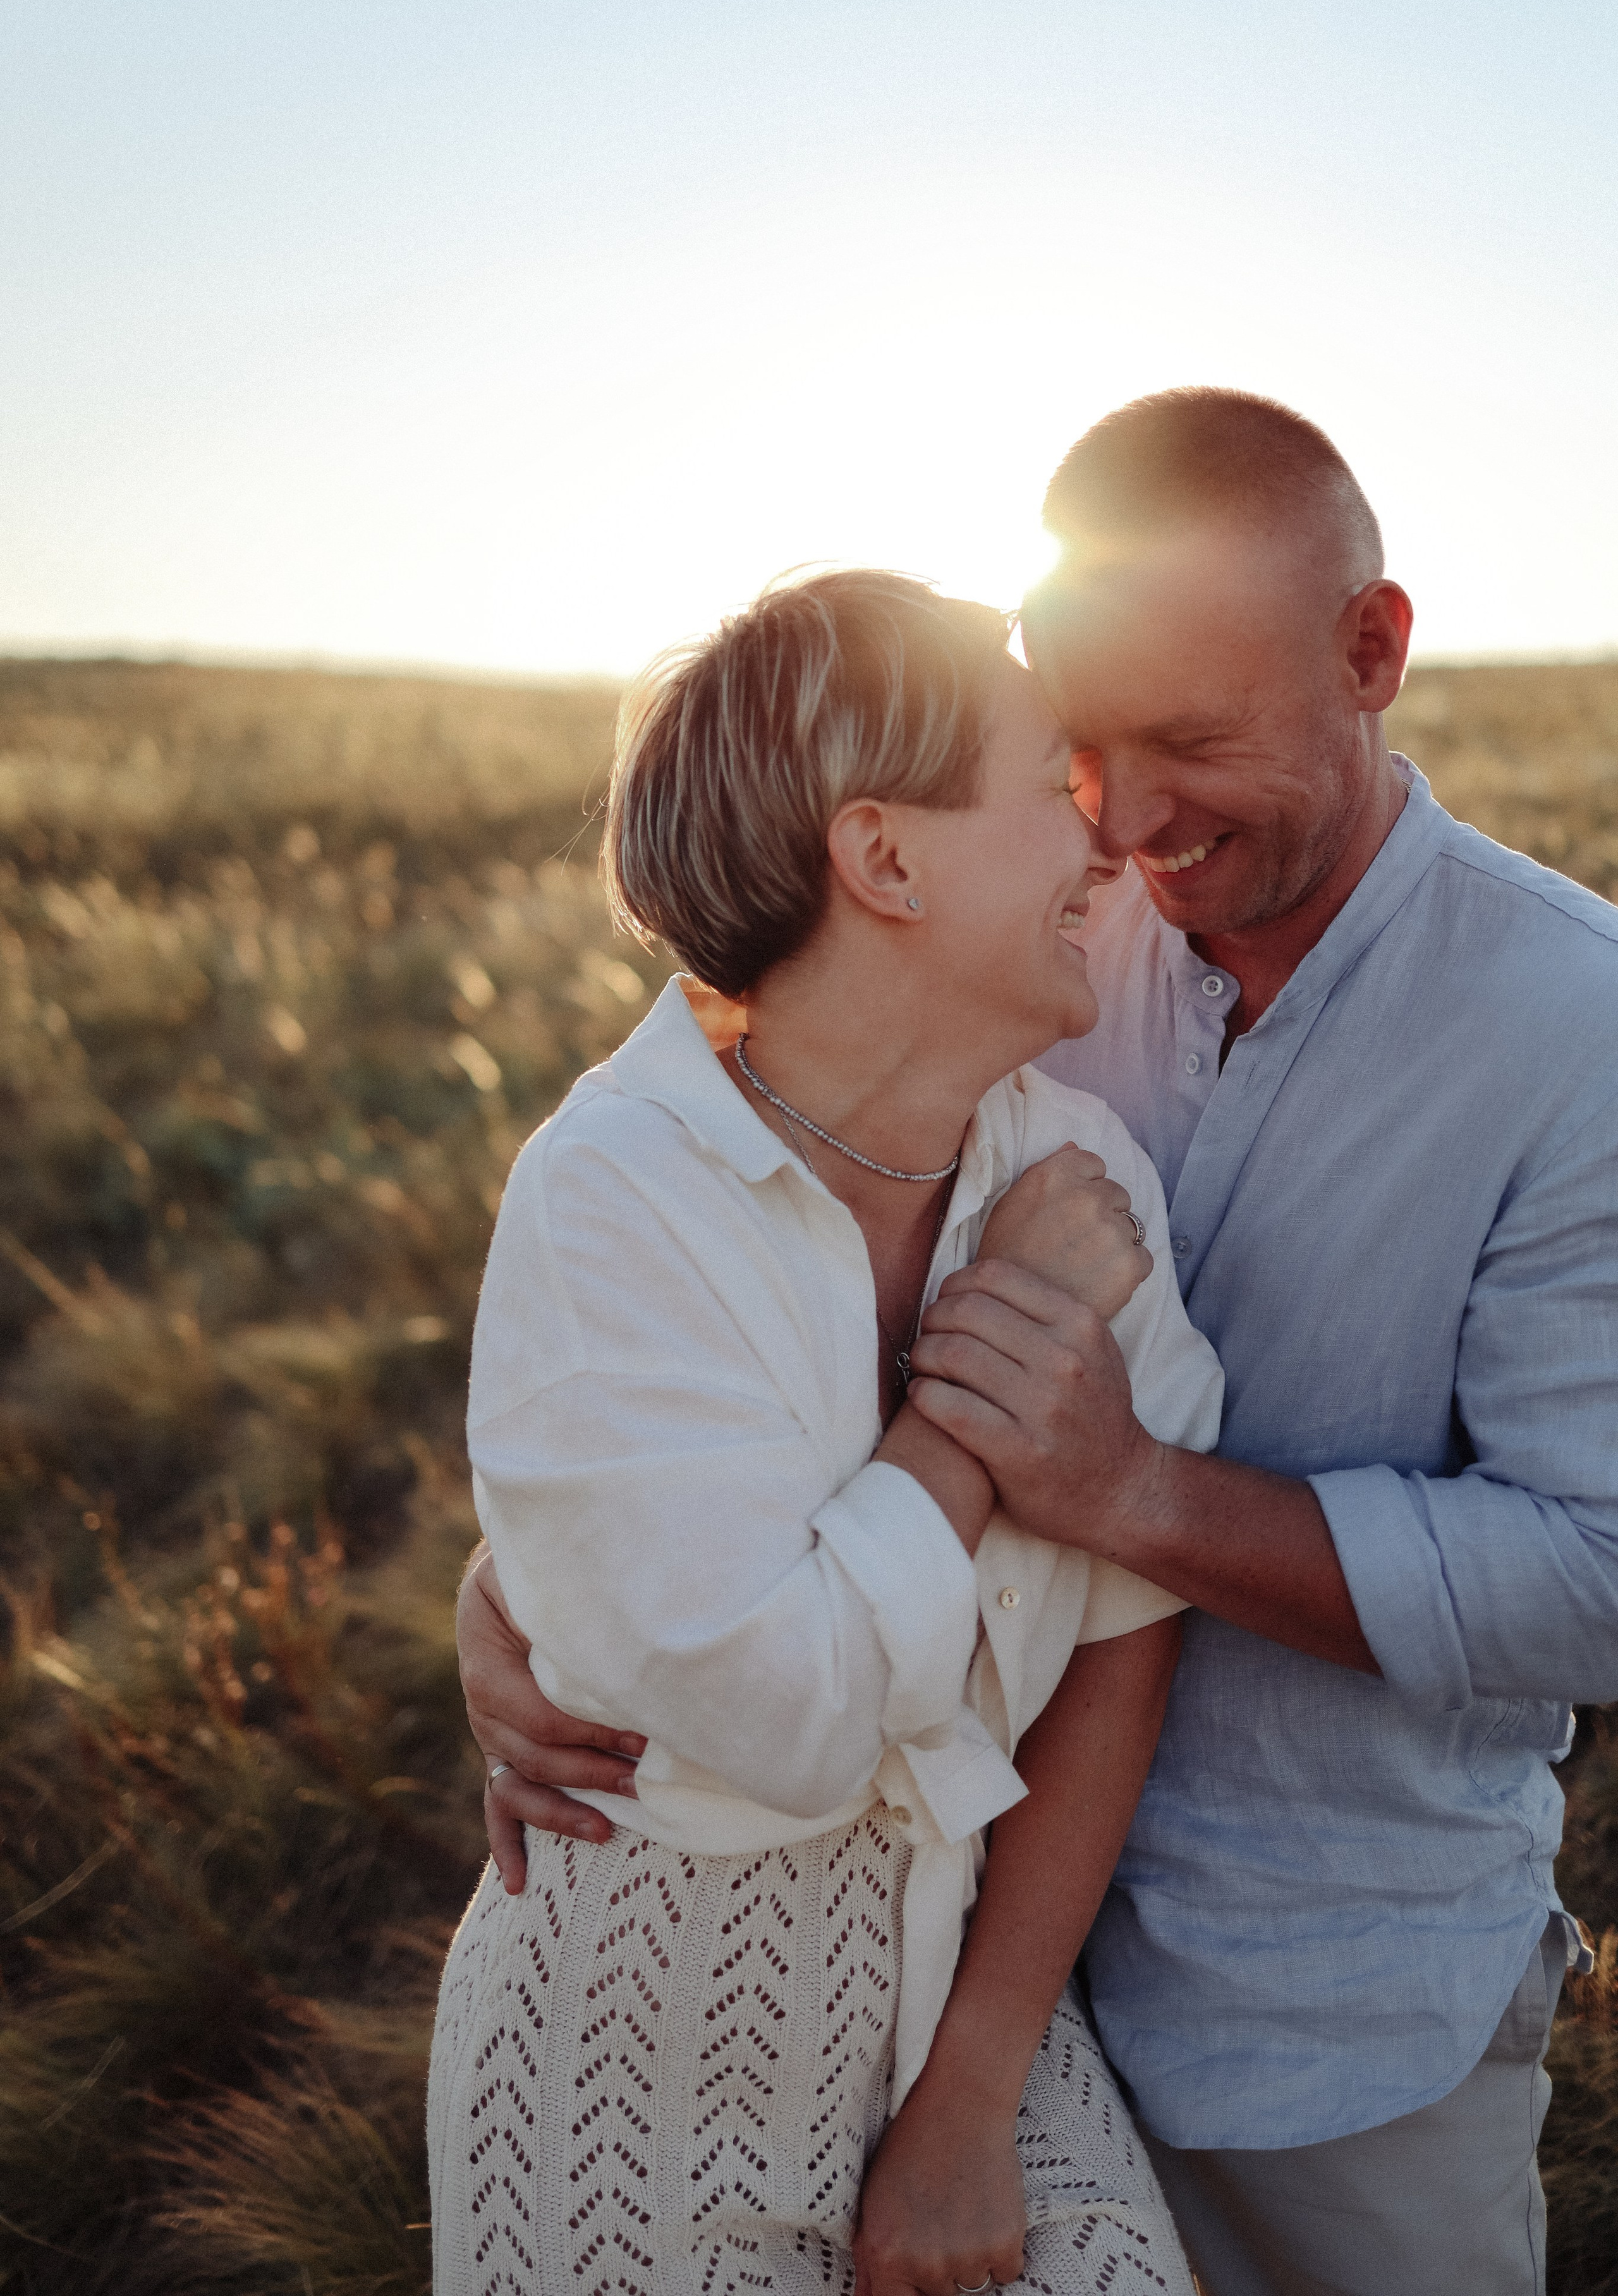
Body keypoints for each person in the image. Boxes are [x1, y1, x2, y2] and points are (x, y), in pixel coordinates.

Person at [461, 391, 1618, 2295]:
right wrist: (530, 1583)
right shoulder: (1051, 972)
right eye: (1078, 749)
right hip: (968, 1964)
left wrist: (1137, 1496)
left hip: (1325, 2002)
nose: (1129, 821)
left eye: (1194, 742)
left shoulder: (1572, 1031)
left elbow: (1598, 1569)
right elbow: (718, 1327)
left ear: (1374, 653)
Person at [427, 569, 1224, 2296]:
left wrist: (975, 2085)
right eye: (1045, 790)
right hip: (624, 2045)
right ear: (885, 860)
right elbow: (787, 1720)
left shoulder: (1078, 1180)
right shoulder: (613, 1195)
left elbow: (1120, 1643)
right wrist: (978, 1389)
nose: (1101, 844)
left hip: (976, 1991)